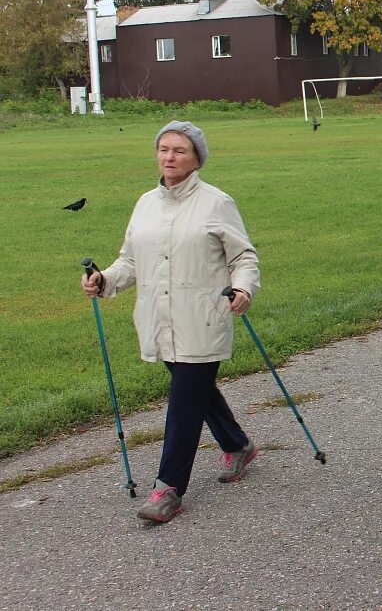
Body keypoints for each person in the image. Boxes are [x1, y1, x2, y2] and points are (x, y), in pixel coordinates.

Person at [80, 121, 261, 523]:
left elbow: (243, 257)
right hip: (159, 318)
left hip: (203, 318)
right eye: (163, 149)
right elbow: (130, 260)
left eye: (179, 150)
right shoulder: (146, 202)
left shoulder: (216, 203)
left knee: (183, 402)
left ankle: (168, 488)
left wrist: (244, 289)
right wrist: (105, 279)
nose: (169, 157)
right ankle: (238, 444)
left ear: (196, 158)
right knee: (194, 392)